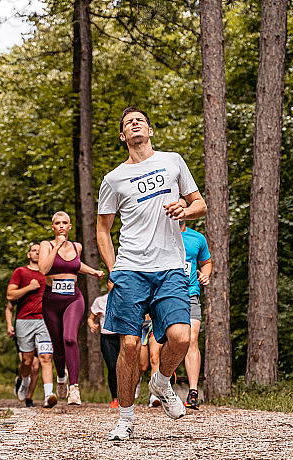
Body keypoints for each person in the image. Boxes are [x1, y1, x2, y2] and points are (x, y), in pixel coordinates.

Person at [96, 106, 207, 440]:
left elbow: (200, 204)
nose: (135, 123)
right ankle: (125, 419)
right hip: (131, 268)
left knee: (181, 337)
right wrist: (113, 269)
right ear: (123, 136)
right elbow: (103, 230)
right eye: (128, 122)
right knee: (129, 345)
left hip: (170, 266)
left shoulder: (173, 161)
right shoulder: (113, 179)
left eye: (140, 120)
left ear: (150, 130)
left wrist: (185, 209)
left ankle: (160, 382)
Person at [39, 211, 104, 405]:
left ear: (70, 226)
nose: (61, 225)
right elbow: (44, 269)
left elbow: (75, 265)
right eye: (57, 223)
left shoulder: (77, 246)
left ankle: (74, 388)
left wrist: (93, 272)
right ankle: (61, 377)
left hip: (73, 299)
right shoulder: (46, 245)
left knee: (69, 339)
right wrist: (57, 246)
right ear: (53, 227)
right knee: (58, 346)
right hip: (51, 301)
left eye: (64, 222)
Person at [6, 243, 57, 407]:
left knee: (46, 358)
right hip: (24, 321)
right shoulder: (20, 272)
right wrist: (29, 287)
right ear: (29, 254)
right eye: (34, 251)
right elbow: (10, 295)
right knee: (27, 362)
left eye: (39, 251)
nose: (36, 253)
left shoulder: (49, 273)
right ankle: (24, 380)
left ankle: (48, 395)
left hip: (45, 321)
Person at [179, 217, 212, 409]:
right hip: (166, 295)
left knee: (192, 339)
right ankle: (163, 384)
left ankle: (193, 393)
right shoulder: (159, 234)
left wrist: (205, 273)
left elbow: (206, 262)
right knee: (169, 340)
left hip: (190, 293)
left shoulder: (197, 238)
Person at [87, 280, 120, 409]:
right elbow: (91, 318)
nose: (114, 285)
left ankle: (127, 396)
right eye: (111, 283)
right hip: (107, 337)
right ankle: (115, 398)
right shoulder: (100, 301)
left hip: (122, 336)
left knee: (124, 367)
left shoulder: (124, 300)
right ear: (107, 285)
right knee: (112, 367)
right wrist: (92, 325)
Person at [5, 300, 39, 407]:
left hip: (40, 329)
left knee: (35, 367)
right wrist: (9, 325)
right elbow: (9, 308)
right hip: (22, 329)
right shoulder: (20, 292)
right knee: (26, 362)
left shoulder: (43, 290)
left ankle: (29, 398)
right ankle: (21, 378)